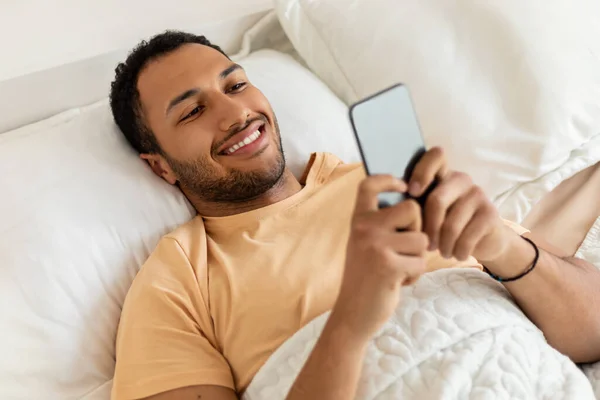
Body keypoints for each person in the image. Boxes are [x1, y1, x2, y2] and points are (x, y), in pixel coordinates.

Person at [108, 31, 600, 400]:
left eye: (235, 84)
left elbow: (591, 332)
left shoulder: (387, 183)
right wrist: (351, 319)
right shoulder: (178, 278)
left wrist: (501, 246)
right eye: (192, 113)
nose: (235, 114)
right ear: (161, 167)